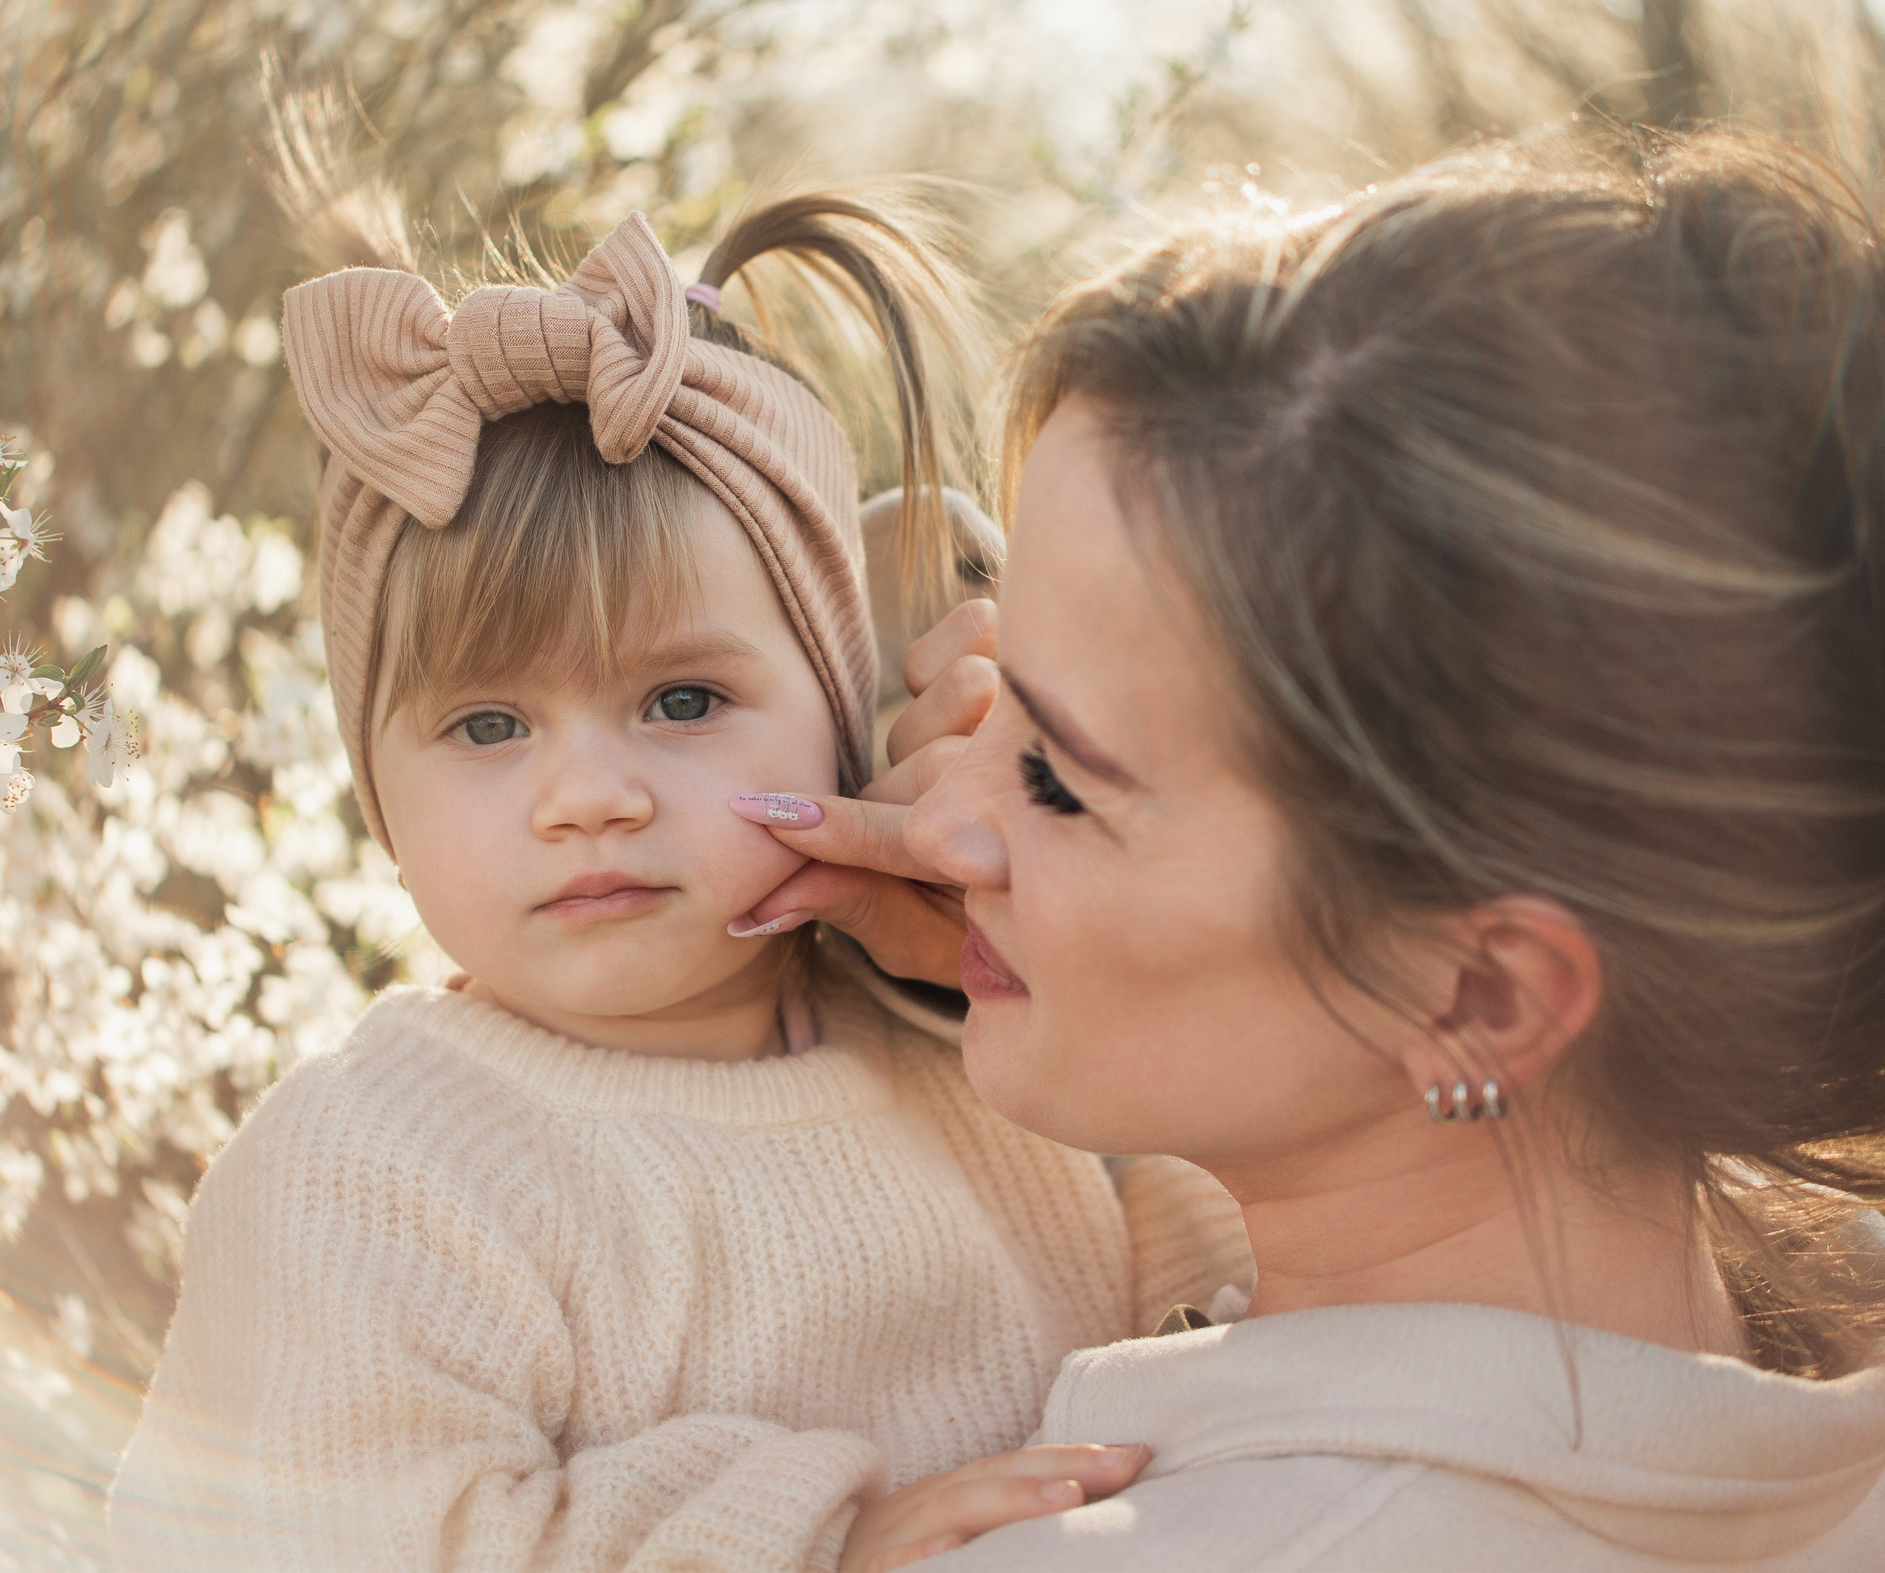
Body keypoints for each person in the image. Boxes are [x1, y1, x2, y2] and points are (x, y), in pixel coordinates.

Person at [739, 130, 1885, 1569]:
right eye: (1003, 675)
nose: (940, 819)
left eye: (1060, 777)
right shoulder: (1772, 1368)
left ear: (1484, 997)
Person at [105, 173, 1251, 1572]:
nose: (590, 796)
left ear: (843, 721)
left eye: (684, 701)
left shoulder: (978, 1050)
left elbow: (1258, 1305)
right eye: (487, 726)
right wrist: (821, 1551)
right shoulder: (368, 1170)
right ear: (377, 797)